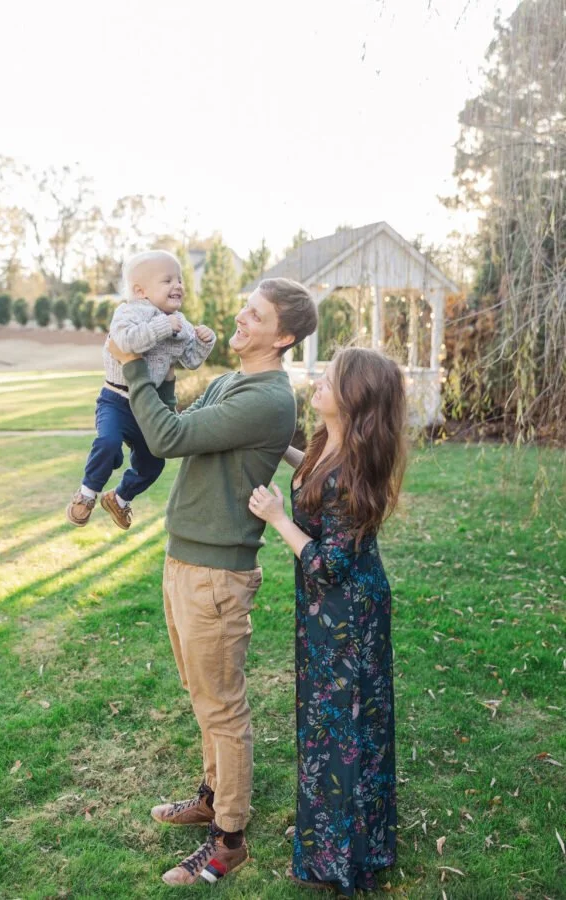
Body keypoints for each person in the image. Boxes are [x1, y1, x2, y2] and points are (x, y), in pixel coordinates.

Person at [107, 277, 318, 886]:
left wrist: (134, 368)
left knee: (223, 708)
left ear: (282, 337)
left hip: (217, 575)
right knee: (203, 697)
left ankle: (228, 838)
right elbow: (175, 421)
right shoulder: (233, 381)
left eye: (254, 314)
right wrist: (157, 365)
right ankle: (210, 793)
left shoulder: (269, 399)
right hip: (185, 561)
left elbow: (166, 437)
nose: (239, 316)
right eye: (244, 307)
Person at [250, 347, 406, 896]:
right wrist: (280, 450)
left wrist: (275, 519)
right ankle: (333, 834)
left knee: (343, 726)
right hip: (326, 613)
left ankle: (345, 853)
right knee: (324, 721)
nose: (317, 381)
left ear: (355, 398)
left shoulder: (357, 471)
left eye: (330, 378)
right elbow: (315, 478)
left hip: (348, 616)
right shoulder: (329, 445)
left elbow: (327, 562)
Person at [66, 250, 215, 530]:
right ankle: (86, 494)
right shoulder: (127, 312)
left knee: (154, 462)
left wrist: (204, 341)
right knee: (108, 443)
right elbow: (126, 343)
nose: (178, 285)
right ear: (140, 291)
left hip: (145, 406)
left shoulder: (179, 323)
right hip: (116, 399)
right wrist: (162, 326)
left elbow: (191, 360)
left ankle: (120, 499)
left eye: (180, 279)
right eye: (168, 280)